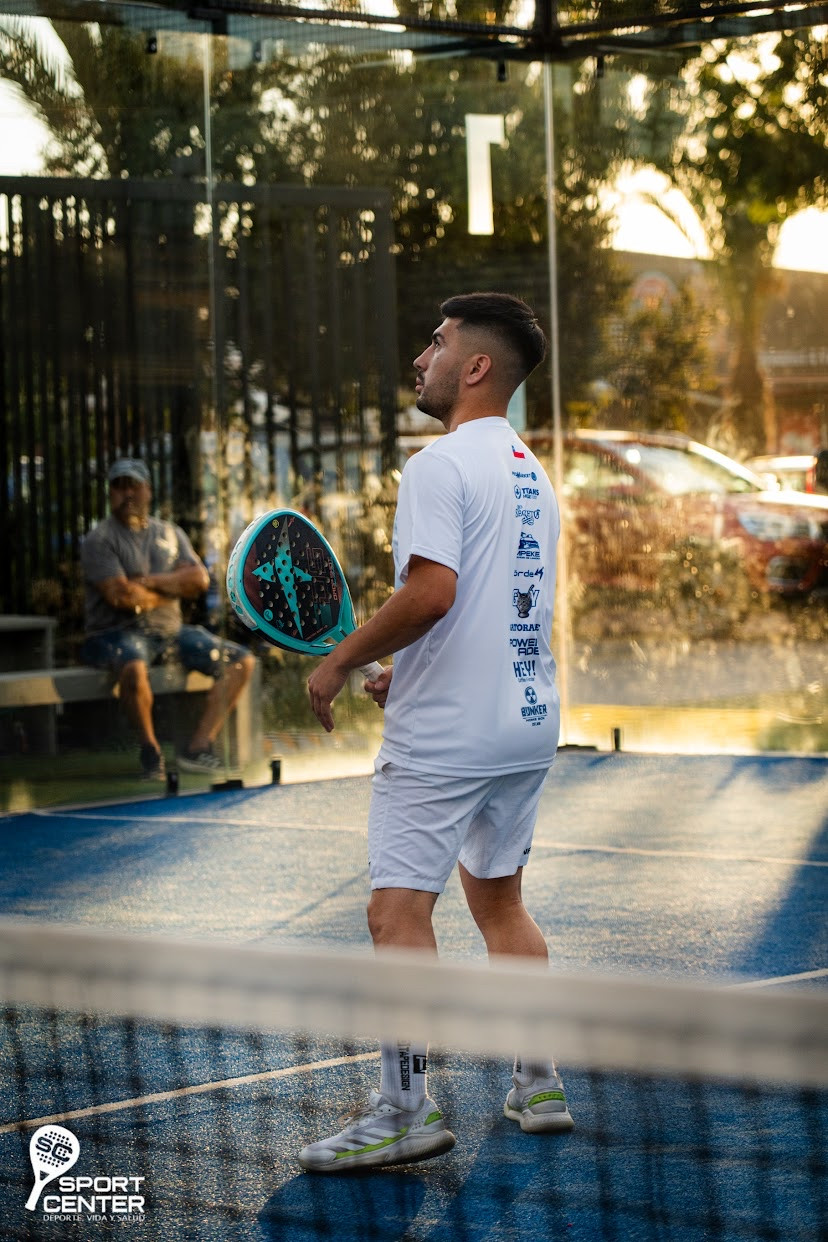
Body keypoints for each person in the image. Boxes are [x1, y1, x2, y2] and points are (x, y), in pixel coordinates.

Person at [302, 292, 571, 1172]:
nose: (422, 357)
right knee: (500, 904)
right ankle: (538, 1081)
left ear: (477, 366)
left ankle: (404, 1110)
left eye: (438, 342)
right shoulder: (531, 472)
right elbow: (494, 606)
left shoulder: (439, 464)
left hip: (447, 740)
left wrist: (342, 660)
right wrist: (405, 673)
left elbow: (432, 594)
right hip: (524, 725)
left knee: (396, 915)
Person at [80, 457, 256, 780]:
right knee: (133, 667)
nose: (127, 493)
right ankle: (151, 754)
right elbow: (122, 597)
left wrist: (147, 582)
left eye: (134, 486)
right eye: (119, 486)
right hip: (115, 634)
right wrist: (172, 589)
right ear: (110, 493)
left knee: (241, 662)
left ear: (148, 490)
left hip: (171, 633)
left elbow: (199, 580)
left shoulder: (169, 533)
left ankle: (198, 748)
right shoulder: (99, 540)